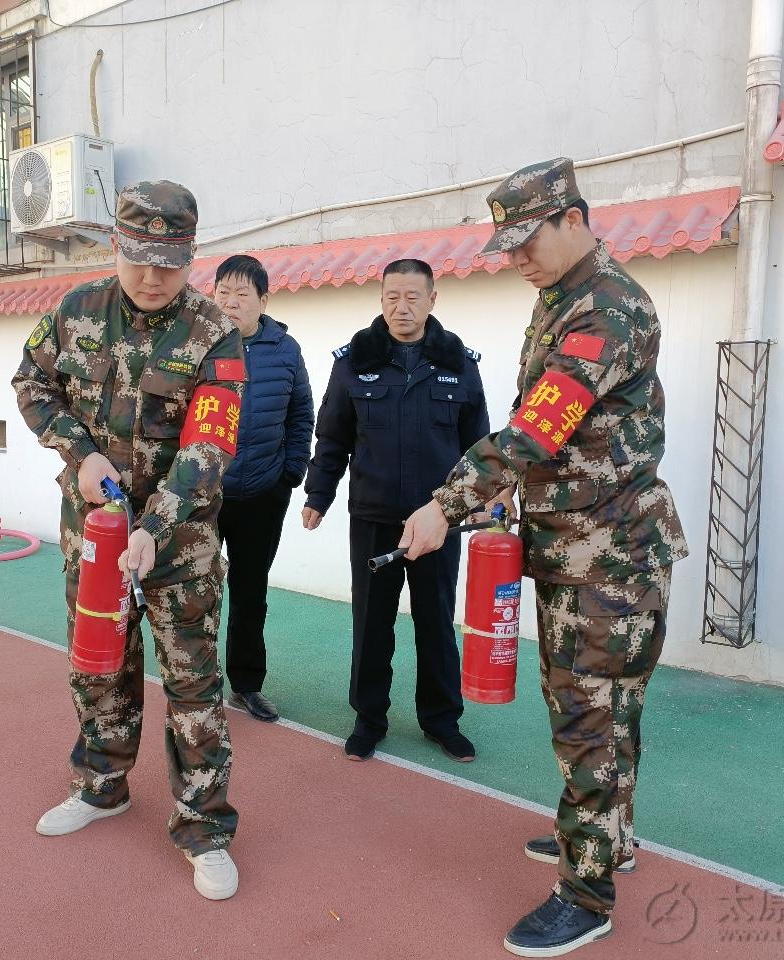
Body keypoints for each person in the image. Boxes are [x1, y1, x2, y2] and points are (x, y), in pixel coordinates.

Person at [400, 158, 689, 956]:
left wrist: (447, 503)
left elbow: (537, 426)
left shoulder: (607, 309)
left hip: (610, 557)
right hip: (577, 547)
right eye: (510, 246)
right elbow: (554, 433)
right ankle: (607, 838)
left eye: (531, 240)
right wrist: (505, 497)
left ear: (575, 219)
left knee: (589, 722)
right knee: (608, 713)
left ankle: (584, 895)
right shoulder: (561, 298)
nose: (519, 258)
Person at [11, 180, 247, 901]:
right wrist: (79, 454)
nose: (152, 277)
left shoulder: (214, 332)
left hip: (179, 546)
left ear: (191, 256)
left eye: (169, 263)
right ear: (115, 244)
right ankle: (101, 785)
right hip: (93, 537)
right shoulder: (76, 310)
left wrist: (154, 525)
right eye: (139, 258)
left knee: (193, 684)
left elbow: (209, 444)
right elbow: (31, 385)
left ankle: (203, 826)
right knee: (98, 666)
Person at [303, 258, 490, 764]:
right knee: (371, 623)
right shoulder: (354, 361)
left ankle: (441, 720)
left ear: (432, 299)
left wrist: (481, 501)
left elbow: (479, 446)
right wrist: (318, 495)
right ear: (381, 299)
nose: (401, 307)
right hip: (374, 515)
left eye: (412, 297)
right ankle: (369, 719)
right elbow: (333, 437)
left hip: (438, 520)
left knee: (435, 621)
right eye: (392, 297)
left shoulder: (459, 363)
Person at [213, 255, 314, 722]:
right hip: (205, 495)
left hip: (262, 494)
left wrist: (290, 473)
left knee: (250, 592)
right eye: (223, 293)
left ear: (263, 301)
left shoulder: (285, 350)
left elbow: (301, 415)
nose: (230, 303)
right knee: (195, 589)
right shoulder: (198, 344)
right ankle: (197, 682)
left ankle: (246, 685)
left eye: (241, 294)